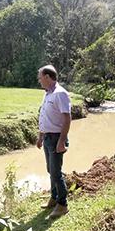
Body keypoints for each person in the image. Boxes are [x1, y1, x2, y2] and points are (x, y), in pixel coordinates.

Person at [36, 65, 71, 218]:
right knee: (51, 170)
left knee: (56, 173)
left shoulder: (60, 94)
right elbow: (45, 117)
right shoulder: (47, 94)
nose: (39, 80)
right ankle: (54, 198)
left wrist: (62, 141)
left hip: (57, 138)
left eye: (40, 77)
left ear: (48, 77)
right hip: (48, 138)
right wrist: (40, 137)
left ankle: (62, 204)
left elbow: (67, 119)